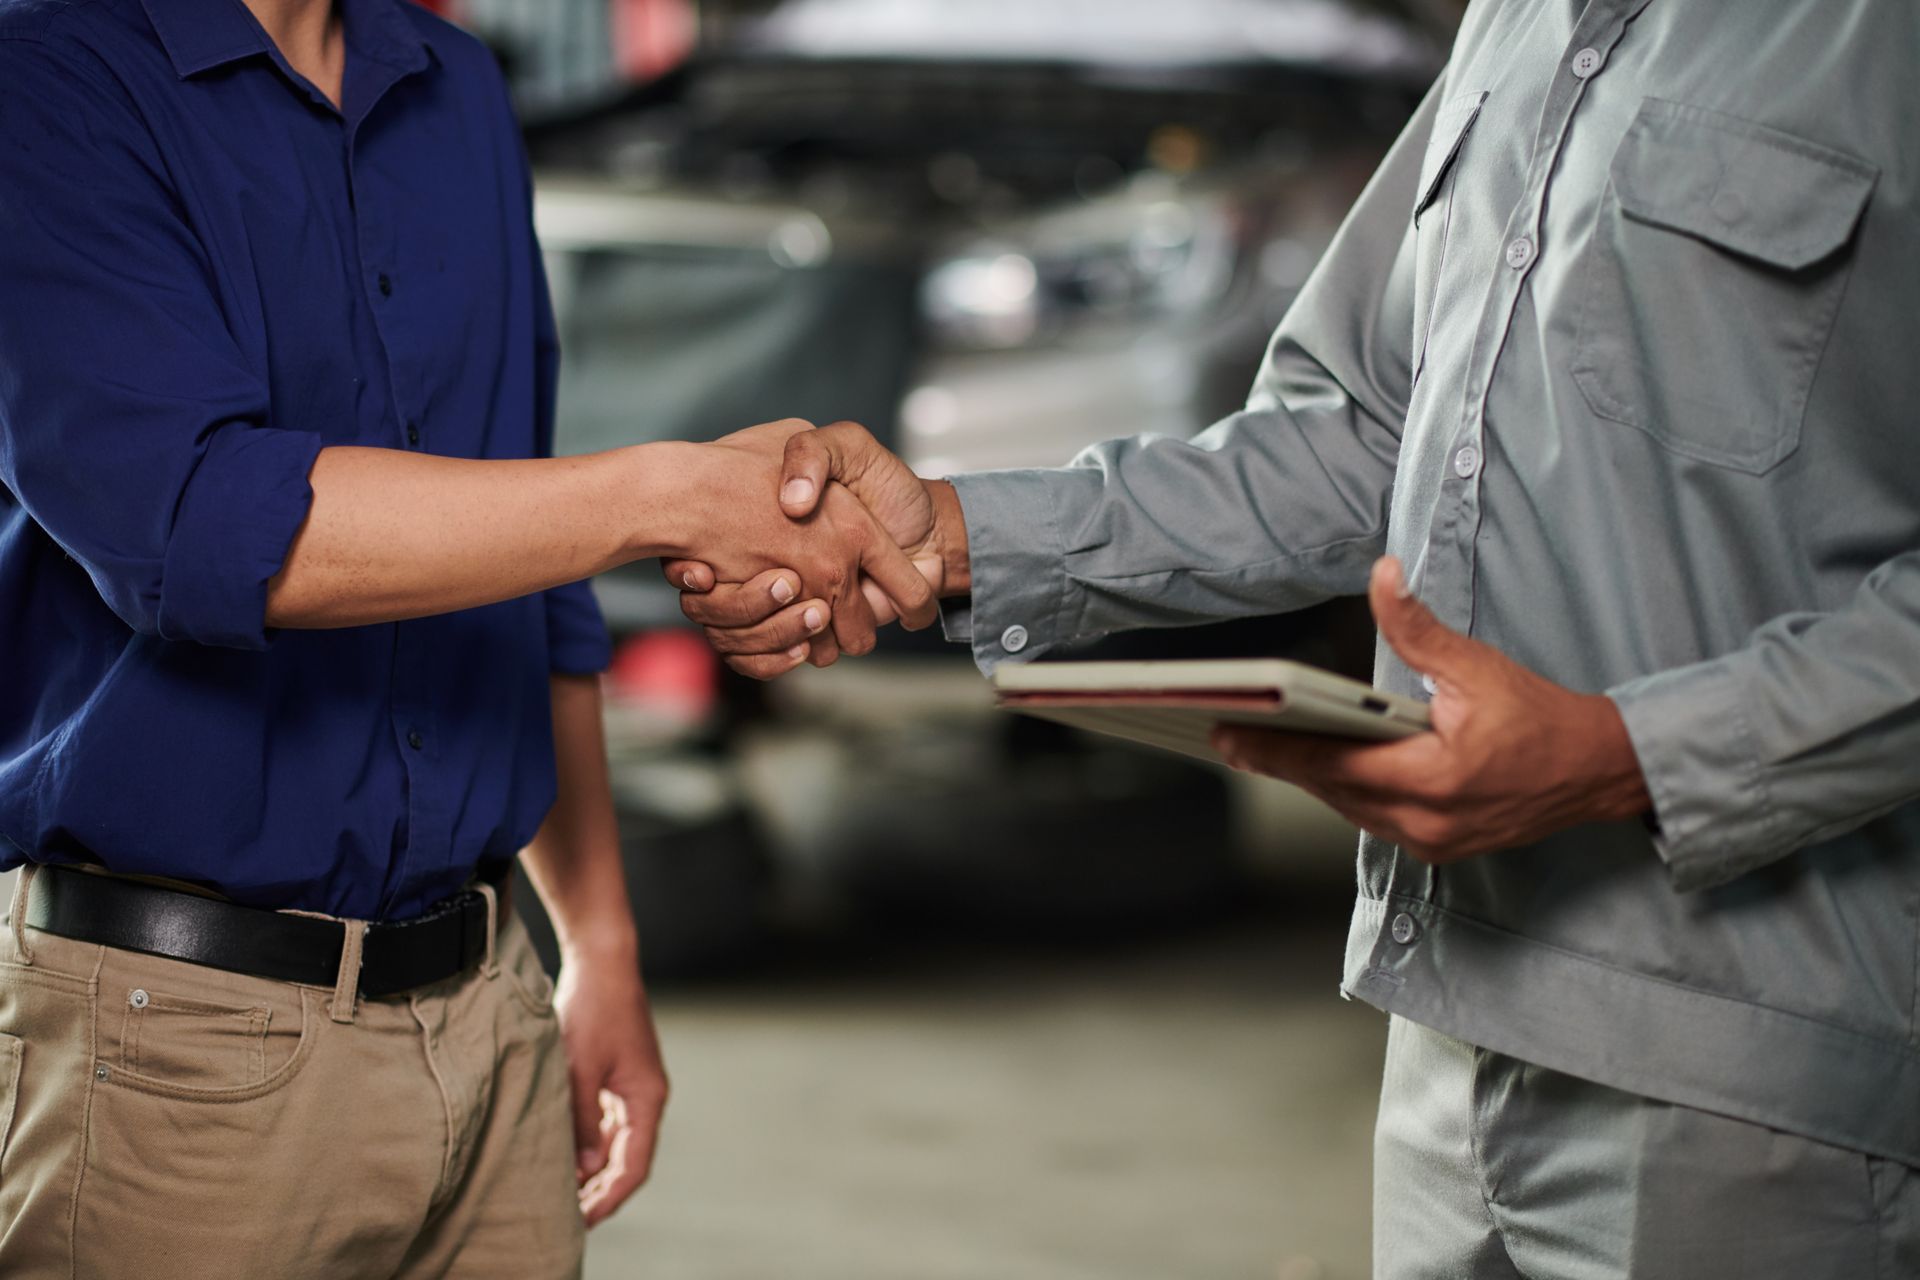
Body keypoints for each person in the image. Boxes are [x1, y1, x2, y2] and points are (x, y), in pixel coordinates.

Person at [670, 2, 1920, 1275]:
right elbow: (1358, 430)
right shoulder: (1525, 20)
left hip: (1758, 1070)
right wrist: (950, 535)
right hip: (1447, 1014)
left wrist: (1628, 753)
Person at [0, 0, 933, 1275]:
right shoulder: (48, 75)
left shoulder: (452, 87)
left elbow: (529, 560)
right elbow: (189, 522)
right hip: (176, 1043)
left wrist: (597, 944)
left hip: (489, 1014)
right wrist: (665, 494)